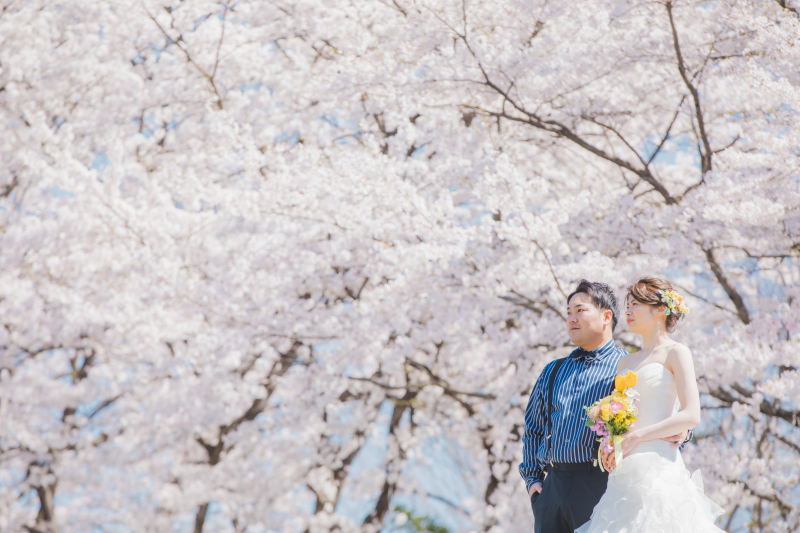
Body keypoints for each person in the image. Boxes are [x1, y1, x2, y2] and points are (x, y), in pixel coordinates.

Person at [519, 279, 691, 533]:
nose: (571, 318)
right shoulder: (552, 371)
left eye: (580, 310)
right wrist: (533, 482)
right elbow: (534, 427)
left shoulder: (628, 367)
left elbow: (661, 408)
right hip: (551, 491)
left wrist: (684, 432)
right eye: (568, 312)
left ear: (606, 317)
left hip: (600, 485)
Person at [575, 277, 724, 532]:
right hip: (625, 471)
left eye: (635, 304)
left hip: (659, 464)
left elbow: (691, 415)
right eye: (627, 305)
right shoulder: (625, 362)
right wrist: (612, 442)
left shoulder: (676, 352)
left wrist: (638, 437)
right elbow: (625, 412)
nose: (628, 310)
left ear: (659, 310)